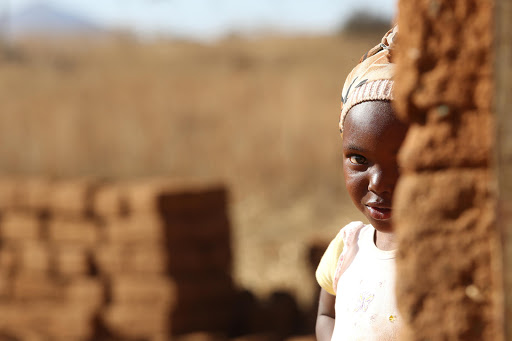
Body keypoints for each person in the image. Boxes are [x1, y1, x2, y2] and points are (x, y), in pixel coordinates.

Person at [315, 26, 408, 341]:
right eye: (359, 159)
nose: (380, 184)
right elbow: (327, 313)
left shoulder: (444, 253)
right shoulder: (346, 248)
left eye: (403, 163)